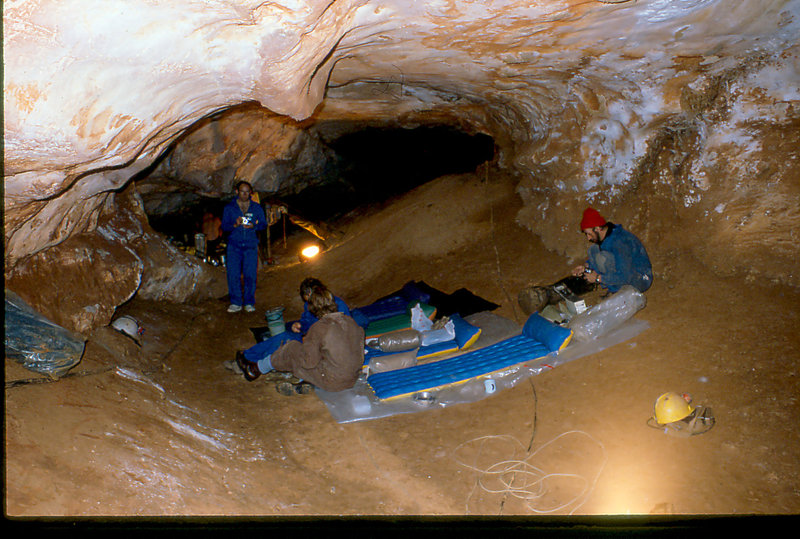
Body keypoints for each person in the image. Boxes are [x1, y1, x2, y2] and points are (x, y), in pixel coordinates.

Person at [235, 282, 365, 393]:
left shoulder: (320, 328)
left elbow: (309, 362)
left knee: (291, 347)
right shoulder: (352, 323)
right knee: (299, 348)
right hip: (351, 379)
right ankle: (259, 365)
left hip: (332, 382)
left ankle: (257, 368)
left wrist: (297, 351)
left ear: (313, 308)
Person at [571, 207, 653, 294]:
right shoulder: (608, 235)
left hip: (641, 279)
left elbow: (626, 276)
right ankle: (609, 283)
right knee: (593, 249)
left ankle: (616, 291)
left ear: (598, 228)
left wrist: (598, 278)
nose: (588, 238)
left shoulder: (619, 243)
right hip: (629, 273)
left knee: (603, 258)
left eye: (589, 234)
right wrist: (585, 268)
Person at [221, 181, 267, 313]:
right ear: (237, 191)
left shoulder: (256, 207)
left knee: (250, 274)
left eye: (247, 192)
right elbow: (224, 226)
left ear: (250, 193)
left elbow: (264, 224)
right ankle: (235, 302)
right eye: (242, 191)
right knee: (233, 274)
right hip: (234, 246)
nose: (245, 194)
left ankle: (248, 302)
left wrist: (254, 226)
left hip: (250, 245)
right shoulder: (229, 208)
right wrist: (234, 225)